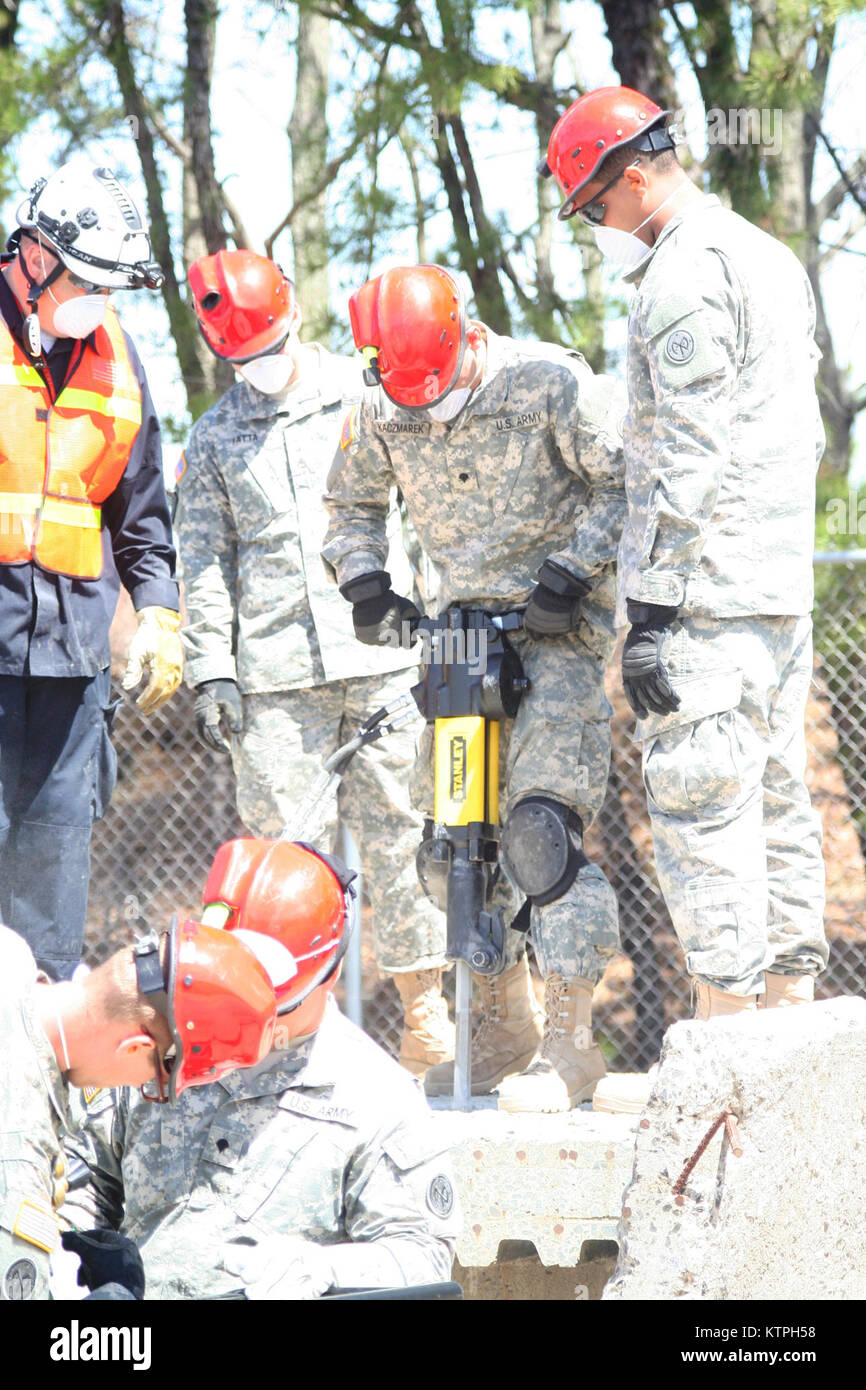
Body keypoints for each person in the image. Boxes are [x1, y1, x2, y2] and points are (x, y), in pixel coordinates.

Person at [539, 86, 829, 1111]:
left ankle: (719, 1063)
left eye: (592, 209)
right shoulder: (767, 256)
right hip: (773, 589)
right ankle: (795, 1045)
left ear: (631, 176)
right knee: (775, 804)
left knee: (703, 810)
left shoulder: (682, 279)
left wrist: (652, 609)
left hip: (704, 596)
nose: (594, 230)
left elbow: (684, 460)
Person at [322, 264, 627, 1112]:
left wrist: (573, 571)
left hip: (555, 630)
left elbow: (628, 481)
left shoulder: (552, 385)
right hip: (456, 639)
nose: (427, 403)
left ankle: (571, 1043)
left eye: (438, 385)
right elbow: (348, 507)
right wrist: (366, 582)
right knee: (453, 845)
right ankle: (503, 1022)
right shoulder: (377, 401)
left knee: (540, 835)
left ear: (466, 336)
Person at [175, 249, 452, 1079]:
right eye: (239, 360)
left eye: (265, 350)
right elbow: (204, 560)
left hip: (382, 661)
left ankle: (425, 1010)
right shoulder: (217, 436)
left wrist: (441, 620)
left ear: (294, 320)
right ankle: (300, 1035)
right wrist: (210, 668)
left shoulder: (363, 396)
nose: (255, 370)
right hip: (273, 681)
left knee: (406, 833)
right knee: (287, 860)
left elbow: (424, 509)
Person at [63, 837, 460, 1299]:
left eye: (270, 1001)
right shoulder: (163, 1039)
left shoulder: (375, 1096)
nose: (246, 1015)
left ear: (328, 973)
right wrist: (69, 1268)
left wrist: (324, 1267)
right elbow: (85, 1176)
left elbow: (424, 1256)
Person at [0, 161, 182, 982]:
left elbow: (142, 511)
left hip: (68, 665)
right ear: (35, 254)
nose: (99, 302)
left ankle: (33, 1081)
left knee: (52, 861)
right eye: (89, 280)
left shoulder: (118, 356)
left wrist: (160, 611)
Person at [0, 915, 279, 1301]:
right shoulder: (16, 1156)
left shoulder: (11, 954)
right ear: (135, 1047)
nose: (141, 1087)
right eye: (153, 1082)